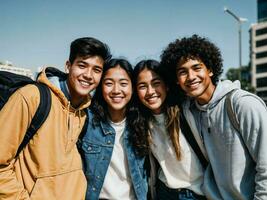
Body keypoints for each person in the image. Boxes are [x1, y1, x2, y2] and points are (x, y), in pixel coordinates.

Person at [0, 37, 111, 199]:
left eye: (96, 70)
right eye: (82, 65)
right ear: (68, 66)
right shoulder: (33, 97)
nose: (88, 75)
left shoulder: (84, 111)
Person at [160, 34, 267, 200]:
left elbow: (265, 163)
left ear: (210, 69)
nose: (191, 77)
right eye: (183, 72)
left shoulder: (243, 104)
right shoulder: (190, 112)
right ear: (176, 80)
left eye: (197, 68)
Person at [133, 59, 205, 200]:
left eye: (156, 84)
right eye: (142, 86)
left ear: (166, 85)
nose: (150, 92)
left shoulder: (186, 112)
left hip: (197, 193)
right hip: (164, 192)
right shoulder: (141, 122)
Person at [79, 58, 148, 200]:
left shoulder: (143, 122)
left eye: (123, 84)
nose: (116, 90)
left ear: (132, 88)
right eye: (109, 83)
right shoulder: (86, 120)